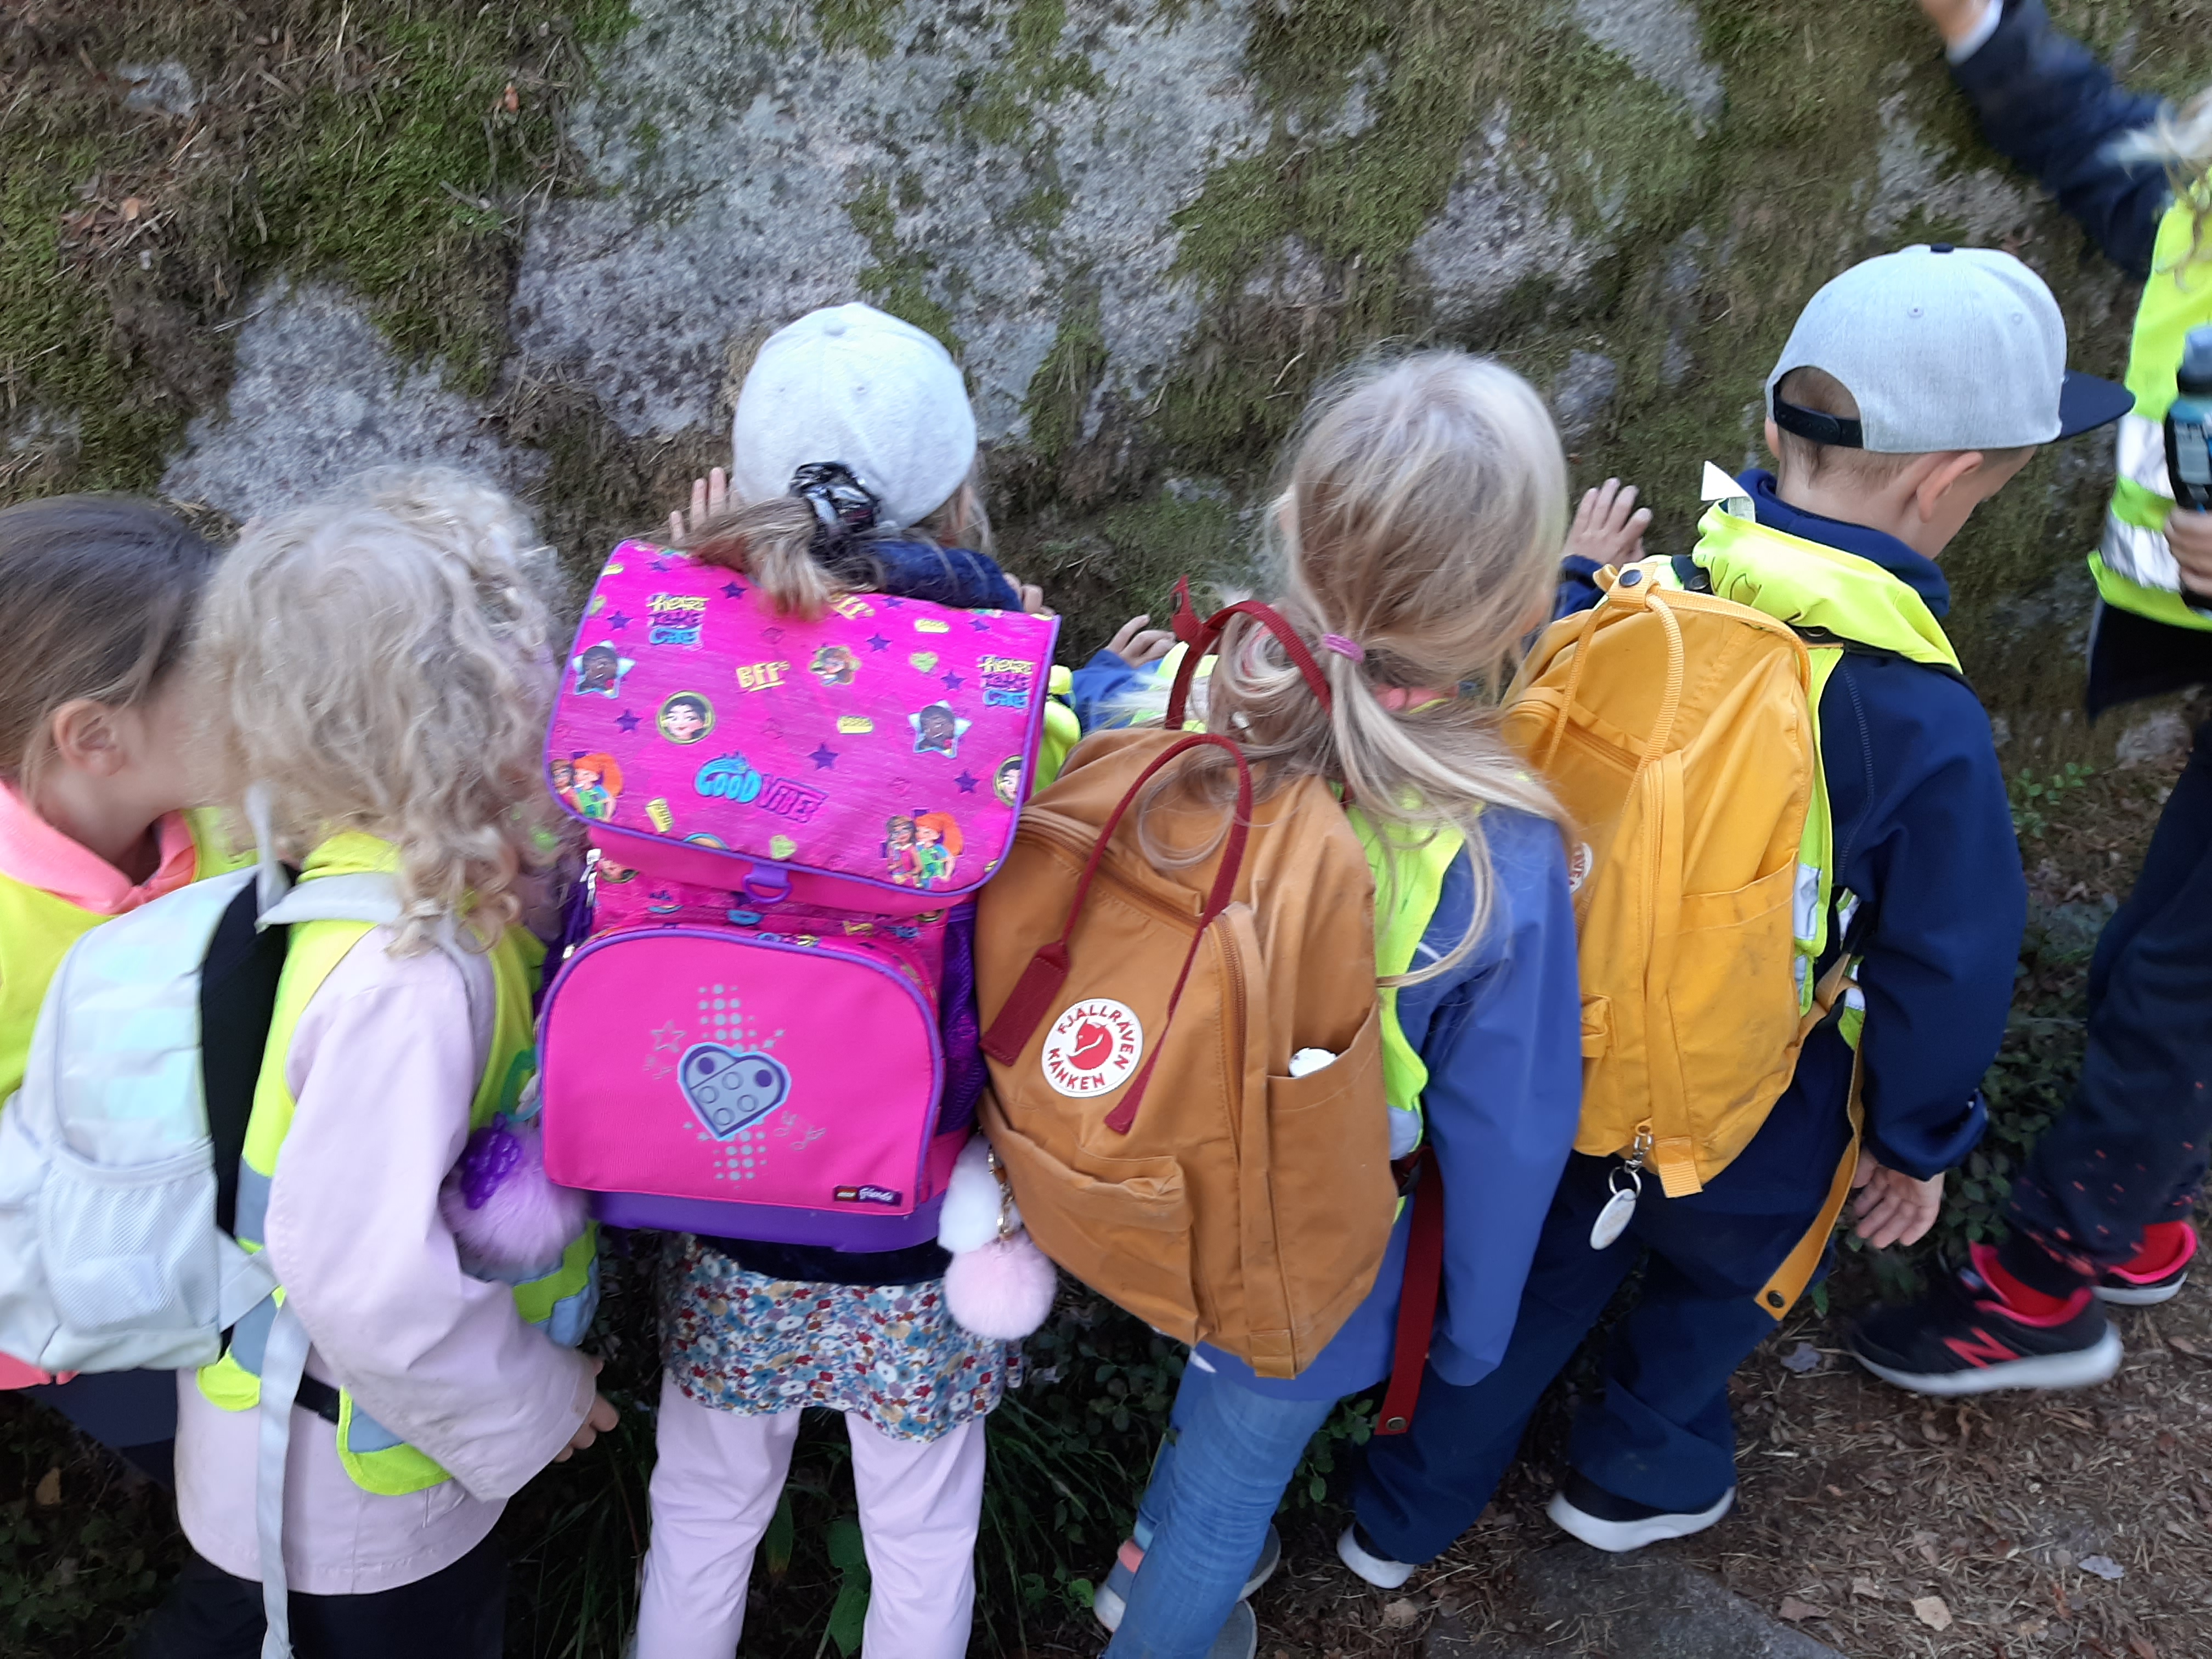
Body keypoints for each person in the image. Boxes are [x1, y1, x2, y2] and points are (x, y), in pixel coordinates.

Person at [1340, 245, 2131, 1582]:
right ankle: (1638, 1470)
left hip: (1560, 1064)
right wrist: (1919, 1143)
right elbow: (1949, 961)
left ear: (1772, 430)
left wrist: (1581, 580)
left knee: (1521, 1296)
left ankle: (1396, 1521)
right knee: (1726, 1281)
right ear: (1948, 482)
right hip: (1755, 1111)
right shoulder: (1920, 715)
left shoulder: (1654, 596)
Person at [1089, 352, 1584, 1659]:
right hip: (1312, 1243)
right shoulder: (1497, 853)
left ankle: (1145, 1566)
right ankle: (1158, 1613)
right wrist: (1472, 1327)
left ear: (1295, 532)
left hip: (1138, 1162)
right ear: (1523, 605)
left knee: (1210, 1409)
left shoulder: (1174, 705)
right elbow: (1509, 1129)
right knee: (1230, 1485)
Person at [137, 472, 611, 1659]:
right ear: (468, 717)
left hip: (318, 1453)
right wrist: (536, 1403)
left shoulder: (349, 866)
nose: (554, 673)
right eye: (524, 651)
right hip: (342, 1499)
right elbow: (364, 1282)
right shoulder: (407, 977)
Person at [631, 302, 1045, 1659]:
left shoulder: (669, 638)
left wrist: (691, 577)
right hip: (915, 1201)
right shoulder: (998, 671)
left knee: (701, 1512)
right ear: (958, 490)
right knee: (921, 1535)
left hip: (718, 1167)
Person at [1847, 0, 2212, 1392]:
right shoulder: (2199, 215)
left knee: (2176, 996)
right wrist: (1984, 29)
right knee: (2150, 956)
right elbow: (2115, 158)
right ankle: (2144, 1209)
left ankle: (2047, 1284)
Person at [0, 495, 250, 1490]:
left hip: (224, 1231)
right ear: (94, 737)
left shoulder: (228, 820)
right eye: (223, 679)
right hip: (68, 1305)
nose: (261, 696)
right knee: (202, 1470)